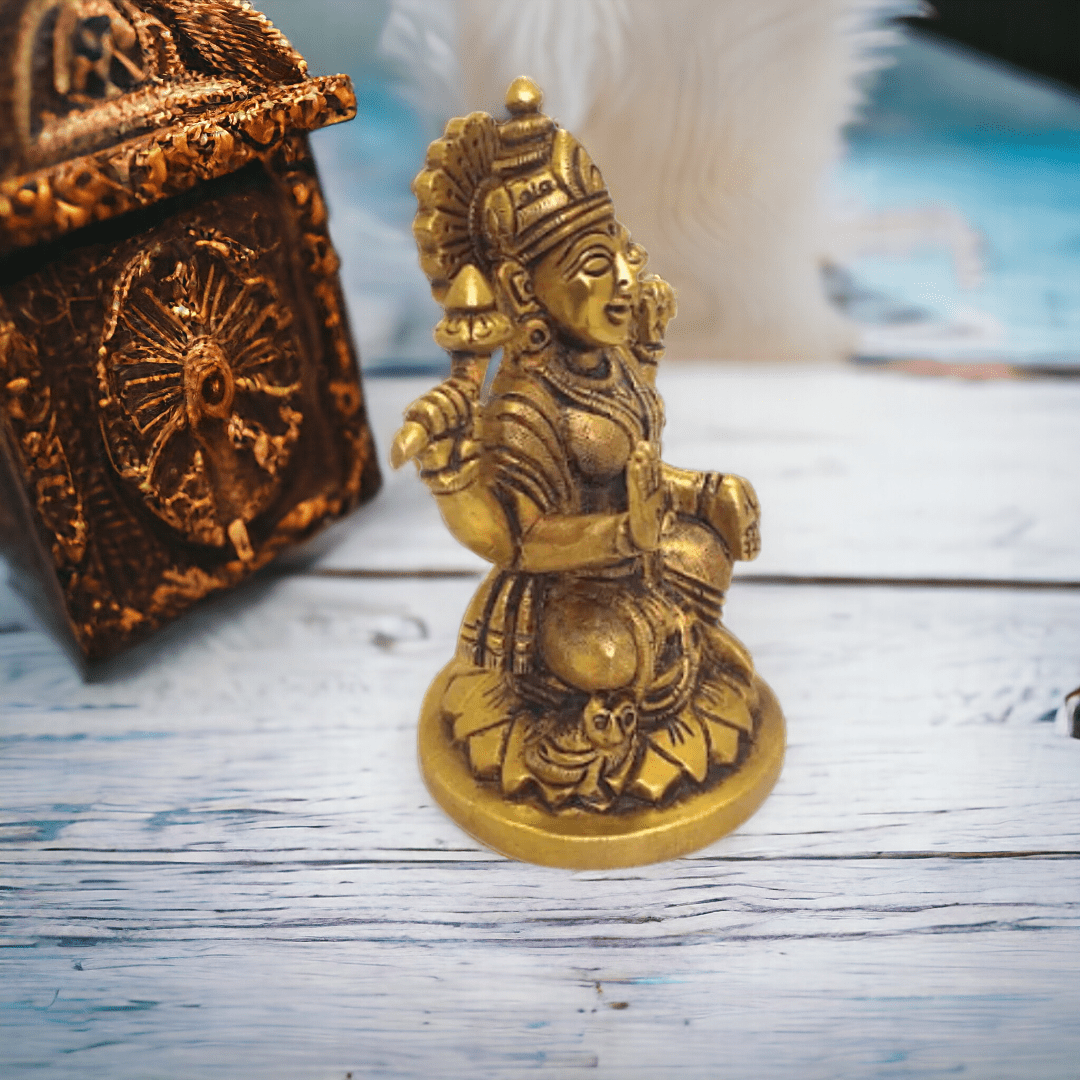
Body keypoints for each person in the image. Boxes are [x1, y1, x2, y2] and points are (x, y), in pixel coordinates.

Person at [394, 77, 762, 812]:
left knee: (704, 550)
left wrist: (702, 492)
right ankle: (612, 702)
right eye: (594, 267)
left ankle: (668, 660)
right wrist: (620, 534)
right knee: (603, 652)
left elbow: (638, 469)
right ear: (523, 291)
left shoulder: (611, 364)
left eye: (619, 252)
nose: (625, 278)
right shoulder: (523, 406)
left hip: (636, 565)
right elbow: (520, 539)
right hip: (563, 598)